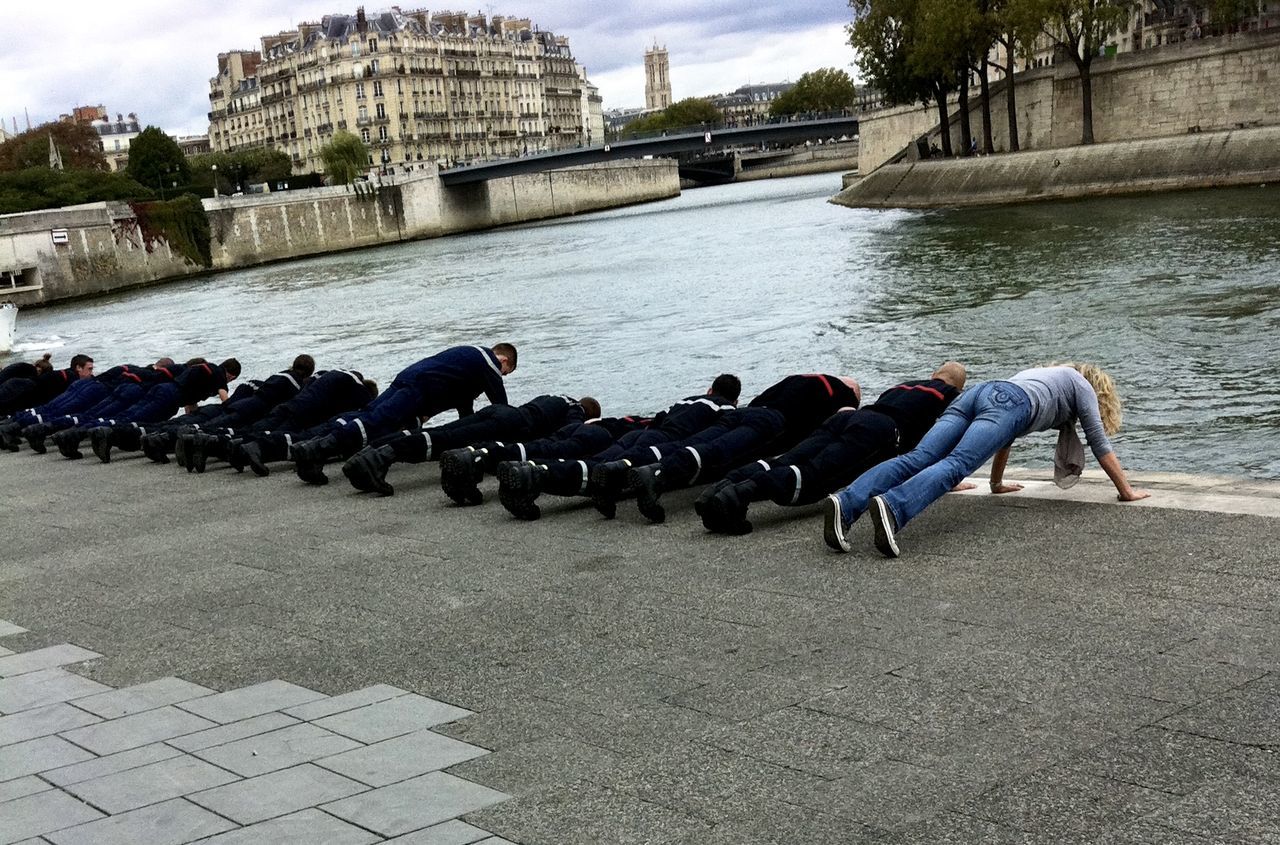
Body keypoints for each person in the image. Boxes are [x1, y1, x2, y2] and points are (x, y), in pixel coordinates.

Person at [823, 363, 1150, 558]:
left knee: (920, 456)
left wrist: (996, 483)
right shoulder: (1082, 387)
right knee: (955, 466)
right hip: (1009, 403)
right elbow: (1099, 442)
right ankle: (894, 508)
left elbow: (1004, 434)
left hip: (980, 392)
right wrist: (1127, 491)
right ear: (1099, 387)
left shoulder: (1043, 374)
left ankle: (847, 501)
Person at [698, 363, 966, 535]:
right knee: (813, 476)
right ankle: (736, 497)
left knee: (788, 459)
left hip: (847, 417)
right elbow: (943, 438)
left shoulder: (902, 386)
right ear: (959, 386)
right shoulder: (949, 395)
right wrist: (950, 480)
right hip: (878, 430)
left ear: (934, 374)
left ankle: (718, 491)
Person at [624, 373, 863, 524]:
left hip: (746, 413)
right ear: (851, 393)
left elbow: (761, 398)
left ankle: (657, 471)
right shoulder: (843, 395)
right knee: (718, 451)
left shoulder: (800, 378)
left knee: (703, 444)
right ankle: (657, 475)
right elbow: (839, 426)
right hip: (771, 423)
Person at [496, 375, 742, 521]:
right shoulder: (727, 410)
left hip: (641, 434)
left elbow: (651, 419)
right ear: (735, 400)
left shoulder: (685, 400)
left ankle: (530, 469)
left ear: (710, 389)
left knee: (598, 461)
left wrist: (611, 424)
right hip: (660, 444)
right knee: (600, 472)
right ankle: (536, 476)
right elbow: (712, 436)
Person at [289, 343, 517, 485]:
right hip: (419, 388)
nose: (502, 376)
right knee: (376, 422)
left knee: (369, 413)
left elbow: (465, 409)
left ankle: (312, 443)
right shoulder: (489, 363)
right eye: (506, 372)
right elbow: (501, 408)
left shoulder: (469, 358)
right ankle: (315, 450)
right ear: (504, 360)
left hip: (409, 377)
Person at [342, 393, 600, 497]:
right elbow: (569, 433)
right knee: (445, 441)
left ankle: (368, 453)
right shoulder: (575, 409)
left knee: (442, 430)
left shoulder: (555, 397)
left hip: (500, 411)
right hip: (510, 424)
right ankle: (382, 458)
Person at [436, 412, 654, 506]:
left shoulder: (584, 415)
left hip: (571, 428)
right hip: (600, 435)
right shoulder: (635, 422)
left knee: (539, 447)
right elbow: (651, 426)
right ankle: (531, 472)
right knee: (554, 453)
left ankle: (477, 455)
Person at [139, 355, 316, 467]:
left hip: (242, 405)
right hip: (251, 411)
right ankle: (164, 438)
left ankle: (159, 436)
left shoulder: (280, 374)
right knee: (213, 429)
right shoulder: (295, 384)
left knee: (211, 426)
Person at [51, 358, 240, 460]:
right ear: (230, 375)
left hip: (161, 391)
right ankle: (74, 436)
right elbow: (225, 397)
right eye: (231, 379)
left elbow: (190, 402)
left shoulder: (199, 370)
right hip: (168, 398)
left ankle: (72, 433)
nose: (229, 382)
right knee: (131, 421)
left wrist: (191, 416)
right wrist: (231, 411)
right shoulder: (218, 374)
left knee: (125, 416)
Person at [215, 369, 380, 476]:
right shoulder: (360, 390)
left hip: (294, 402)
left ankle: (234, 445)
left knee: (263, 428)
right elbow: (369, 410)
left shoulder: (331, 375)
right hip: (306, 411)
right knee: (286, 435)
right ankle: (249, 447)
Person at [4, 360, 179, 453]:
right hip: (106, 391)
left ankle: (14, 426)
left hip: (94, 386)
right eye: (89, 367)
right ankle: (58, 433)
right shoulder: (158, 378)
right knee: (91, 416)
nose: (91, 370)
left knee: (51, 409)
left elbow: (105, 376)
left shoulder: (129, 367)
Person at [0, 354, 93, 415]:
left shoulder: (64, 375)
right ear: (78, 368)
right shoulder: (70, 378)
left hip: (17, 390)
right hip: (17, 391)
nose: (91, 372)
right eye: (89, 369)